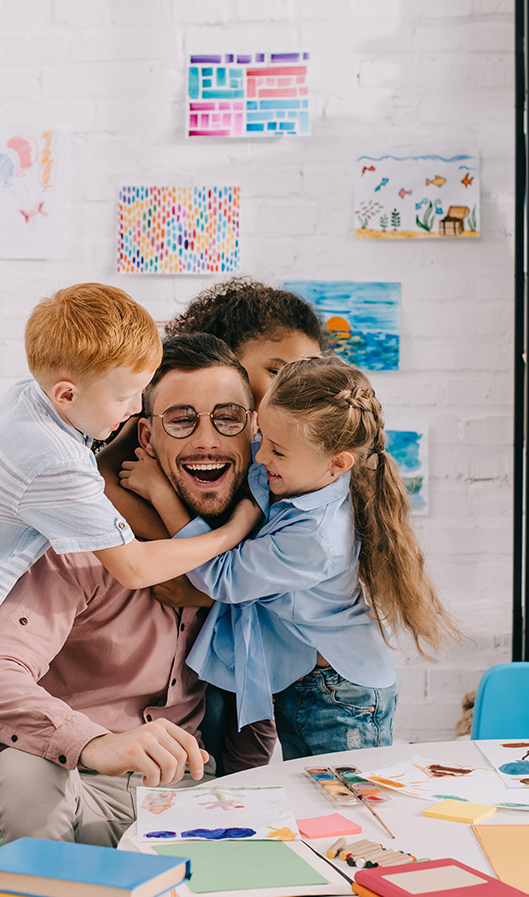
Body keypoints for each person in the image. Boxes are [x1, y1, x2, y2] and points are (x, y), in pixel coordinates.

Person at [0, 283, 258, 767]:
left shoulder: (30, 398)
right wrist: (229, 535)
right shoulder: (54, 460)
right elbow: (131, 567)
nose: (133, 412)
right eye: (128, 398)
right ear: (66, 393)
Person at [0, 334, 265, 846]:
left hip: (195, 794)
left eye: (227, 418)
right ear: (145, 437)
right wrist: (97, 741)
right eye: (182, 420)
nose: (207, 440)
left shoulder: (265, 554)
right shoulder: (83, 546)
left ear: (252, 430)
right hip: (78, 781)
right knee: (20, 769)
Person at [121, 355, 462, 758]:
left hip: (338, 695)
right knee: (309, 799)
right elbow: (256, 480)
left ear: (337, 463)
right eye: (261, 437)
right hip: (304, 680)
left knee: (342, 804)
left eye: (277, 451)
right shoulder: (306, 474)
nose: (261, 457)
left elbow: (221, 577)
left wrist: (162, 494)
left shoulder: (316, 538)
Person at [97, 277, 327, 774]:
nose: (293, 387)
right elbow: (103, 486)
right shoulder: (144, 424)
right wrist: (201, 568)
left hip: (253, 654)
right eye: (277, 371)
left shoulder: (281, 452)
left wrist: (209, 588)